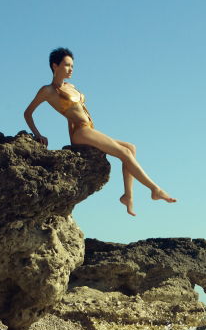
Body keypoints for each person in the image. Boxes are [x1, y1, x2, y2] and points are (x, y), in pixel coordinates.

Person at [24, 47, 176, 216]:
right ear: (55, 66)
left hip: (88, 129)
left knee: (131, 148)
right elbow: (28, 113)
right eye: (67, 65)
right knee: (124, 152)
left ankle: (128, 196)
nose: (71, 69)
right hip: (81, 132)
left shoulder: (71, 86)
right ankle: (155, 189)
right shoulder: (48, 91)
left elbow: (71, 113)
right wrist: (38, 134)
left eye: (72, 65)